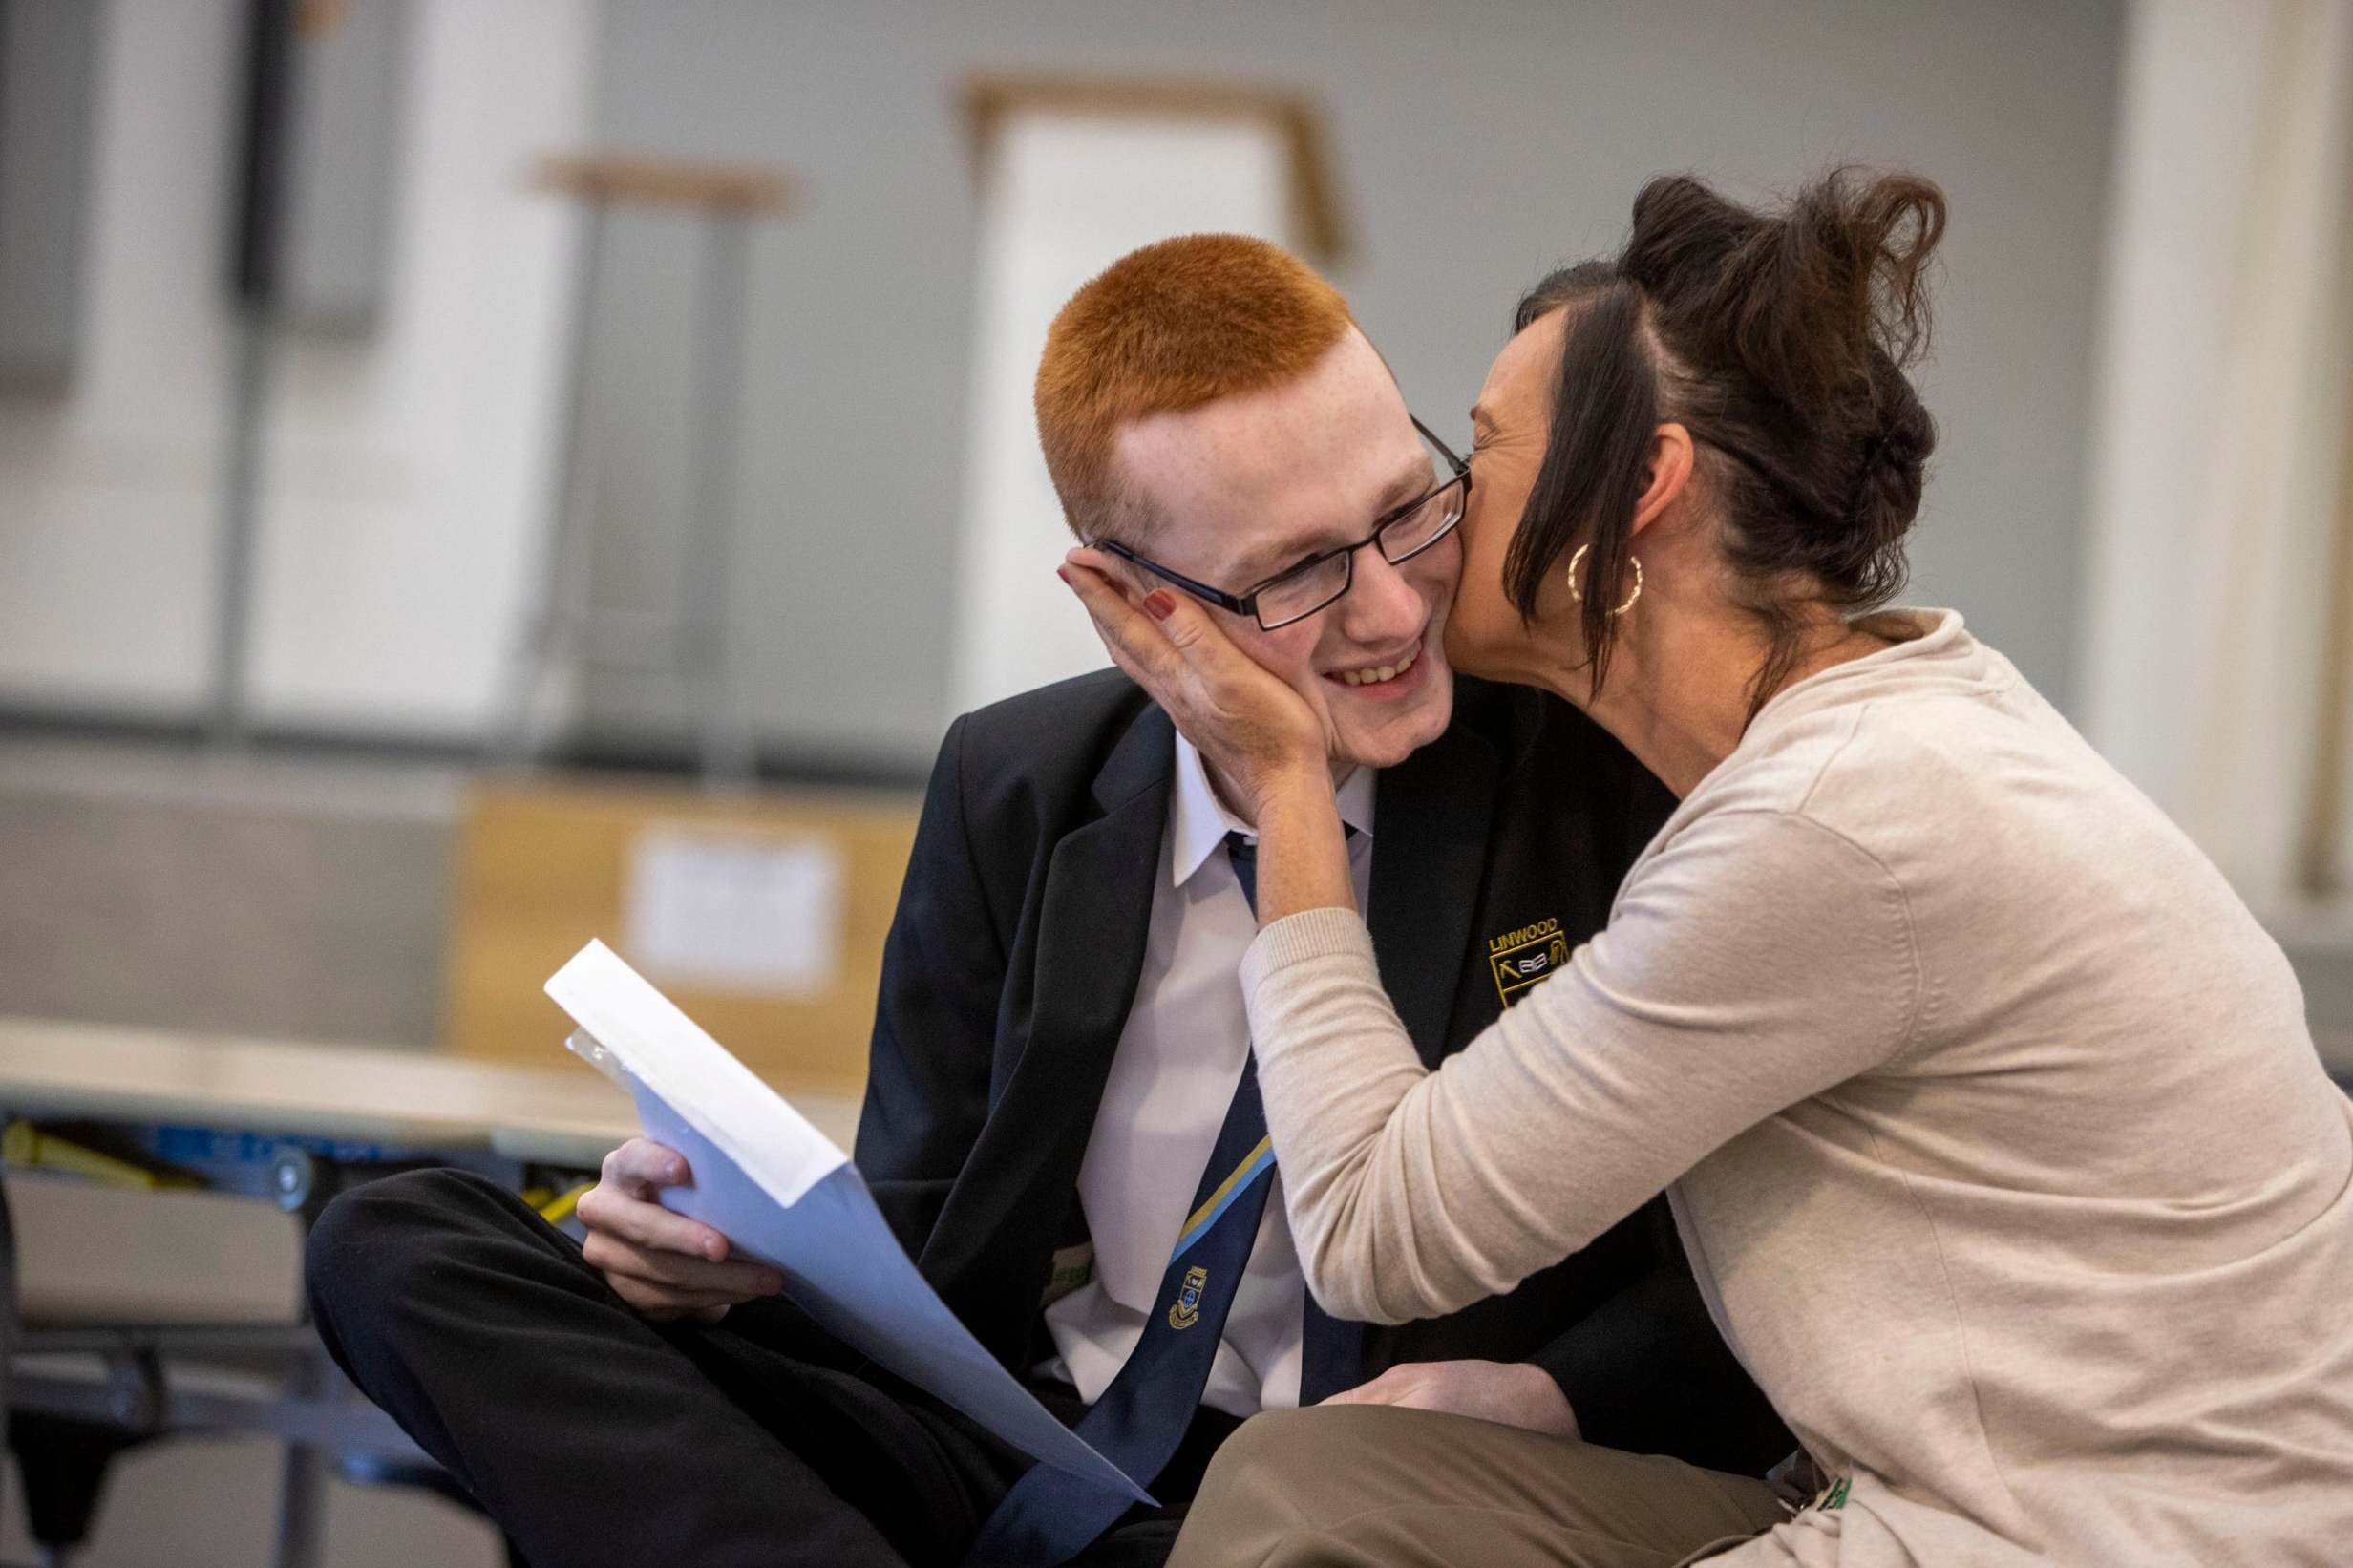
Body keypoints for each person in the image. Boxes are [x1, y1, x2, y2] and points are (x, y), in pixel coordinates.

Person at [304, 234, 1786, 1568]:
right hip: (1020, 1440)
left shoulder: (1596, 773)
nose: (1394, 611)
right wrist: (719, 1258)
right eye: (1294, 578)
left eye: (1407, 511)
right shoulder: (1014, 783)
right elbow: (923, 1231)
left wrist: (1542, 1393)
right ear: (1135, 602)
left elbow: (1741, 1277)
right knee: (396, 1238)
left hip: (1339, 1500)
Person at [1065, 172, 2353, 1568]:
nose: (1439, 525)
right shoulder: (1870, 736)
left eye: (1477, 454)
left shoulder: (1833, 819)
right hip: (1921, 1485)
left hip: (2108, 1537)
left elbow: (1376, 1226)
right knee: (1307, 1481)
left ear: (1641, 489)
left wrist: (1285, 784)